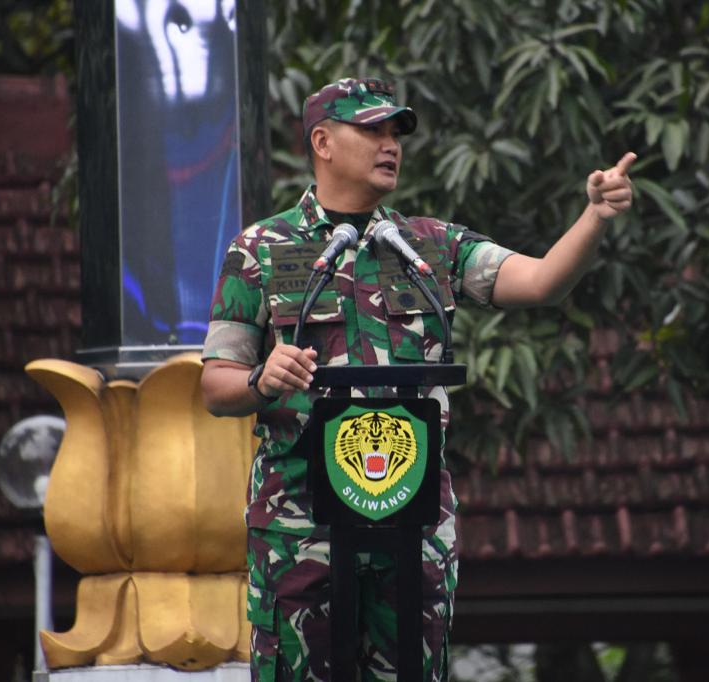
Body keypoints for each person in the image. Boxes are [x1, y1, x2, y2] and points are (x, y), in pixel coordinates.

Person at [200, 77, 635, 682]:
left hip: (413, 519)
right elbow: (216, 385)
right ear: (322, 143)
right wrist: (263, 379)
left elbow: (540, 282)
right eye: (372, 130)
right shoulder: (261, 249)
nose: (390, 145)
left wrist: (595, 217)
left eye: (395, 133)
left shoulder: (428, 246)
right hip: (300, 523)